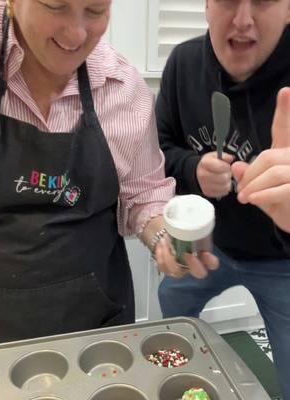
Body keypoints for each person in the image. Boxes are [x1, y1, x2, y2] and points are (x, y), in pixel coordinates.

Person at [0, 0, 220, 344]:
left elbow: (144, 195)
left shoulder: (121, 88)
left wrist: (166, 240)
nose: (76, 33)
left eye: (95, 11)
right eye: (55, 6)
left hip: (94, 318)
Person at [155, 0, 290, 397]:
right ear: (208, 6)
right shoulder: (182, 64)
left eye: (263, 1)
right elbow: (160, 148)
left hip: (282, 262)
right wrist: (193, 168)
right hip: (207, 247)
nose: (243, 20)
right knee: (170, 304)